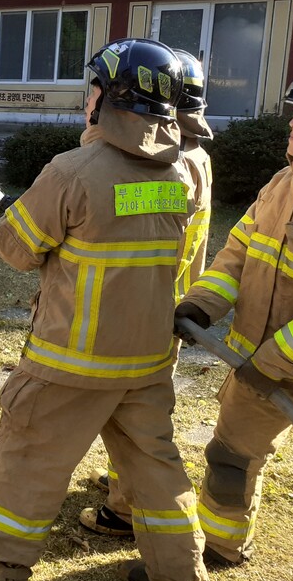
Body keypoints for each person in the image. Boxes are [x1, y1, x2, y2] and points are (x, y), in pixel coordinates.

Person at [0, 38, 207, 581]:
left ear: (110, 99)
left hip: (71, 361)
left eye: (92, 89)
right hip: (147, 360)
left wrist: (17, 212)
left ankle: (1, 564)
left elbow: (17, 249)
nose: (85, 99)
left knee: (30, 457)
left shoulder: (73, 170)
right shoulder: (182, 172)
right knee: (156, 469)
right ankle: (180, 579)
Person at [175, 62, 293, 567]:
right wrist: (201, 304)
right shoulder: (280, 184)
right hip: (255, 367)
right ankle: (221, 547)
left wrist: (272, 362)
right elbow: (236, 255)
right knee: (229, 460)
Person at [81, 49, 214, 537]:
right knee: (137, 414)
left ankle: (124, 507)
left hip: (147, 309)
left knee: (137, 421)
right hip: (164, 306)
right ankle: (124, 485)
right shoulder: (195, 156)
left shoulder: (175, 163)